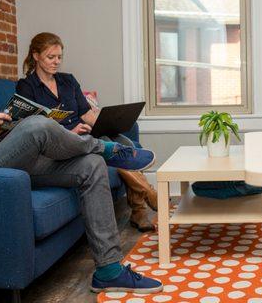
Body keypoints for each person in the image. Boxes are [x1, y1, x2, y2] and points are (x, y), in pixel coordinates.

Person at [0, 6, 162, 294]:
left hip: (2, 161)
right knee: (36, 126)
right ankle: (107, 148)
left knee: (91, 166)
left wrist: (2, 131)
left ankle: (108, 269)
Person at [16, 32, 158, 232]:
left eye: (59, 57)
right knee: (115, 149)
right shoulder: (26, 87)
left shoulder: (68, 81)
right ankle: (150, 195)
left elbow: (85, 113)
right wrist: (70, 130)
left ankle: (138, 212)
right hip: (59, 142)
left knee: (126, 143)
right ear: (36, 56)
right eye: (51, 57)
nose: (56, 62)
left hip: (85, 133)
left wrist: (107, 121)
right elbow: (32, 127)